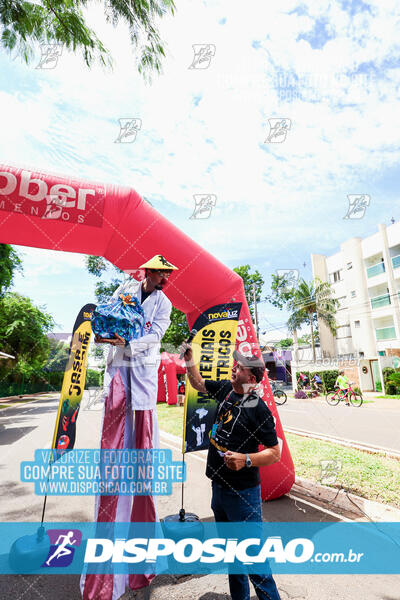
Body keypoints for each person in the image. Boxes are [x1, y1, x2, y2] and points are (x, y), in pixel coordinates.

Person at [81, 254, 178, 600]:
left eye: (167, 273)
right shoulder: (125, 288)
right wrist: (109, 337)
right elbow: (108, 317)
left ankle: (139, 556)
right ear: (148, 271)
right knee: (112, 462)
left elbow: (154, 338)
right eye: (160, 271)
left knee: (140, 469)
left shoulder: (164, 304)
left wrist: (128, 343)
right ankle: (107, 551)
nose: (164, 277)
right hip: (119, 380)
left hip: (142, 386)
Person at [181, 342, 282, 600]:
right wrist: (191, 360)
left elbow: (274, 452)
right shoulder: (228, 390)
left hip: (243, 495)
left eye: (239, 367)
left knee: (254, 560)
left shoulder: (258, 408)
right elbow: (198, 384)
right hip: (219, 488)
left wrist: (246, 459)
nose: (234, 368)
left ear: (251, 377)